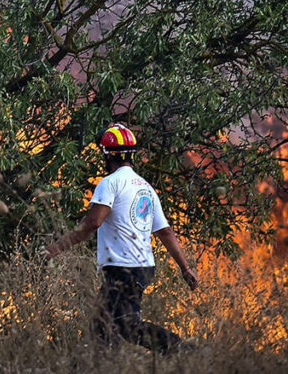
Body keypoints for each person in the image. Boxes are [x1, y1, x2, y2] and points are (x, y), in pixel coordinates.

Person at [44, 123, 198, 355]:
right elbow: (166, 232)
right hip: (142, 267)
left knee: (126, 326)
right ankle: (101, 366)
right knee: (102, 329)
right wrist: (185, 268)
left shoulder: (110, 183)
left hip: (123, 269)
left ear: (107, 155)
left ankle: (182, 349)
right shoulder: (146, 188)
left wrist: (57, 247)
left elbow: (93, 222)